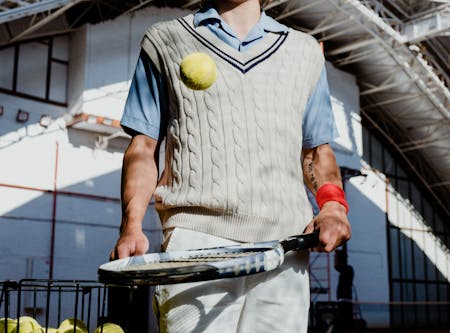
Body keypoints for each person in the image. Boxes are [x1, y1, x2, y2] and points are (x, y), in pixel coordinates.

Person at [109, 0, 351, 332]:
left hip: (285, 250)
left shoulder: (305, 52)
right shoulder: (164, 40)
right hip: (195, 245)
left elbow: (316, 151)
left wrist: (334, 206)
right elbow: (143, 146)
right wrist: (131, 224)